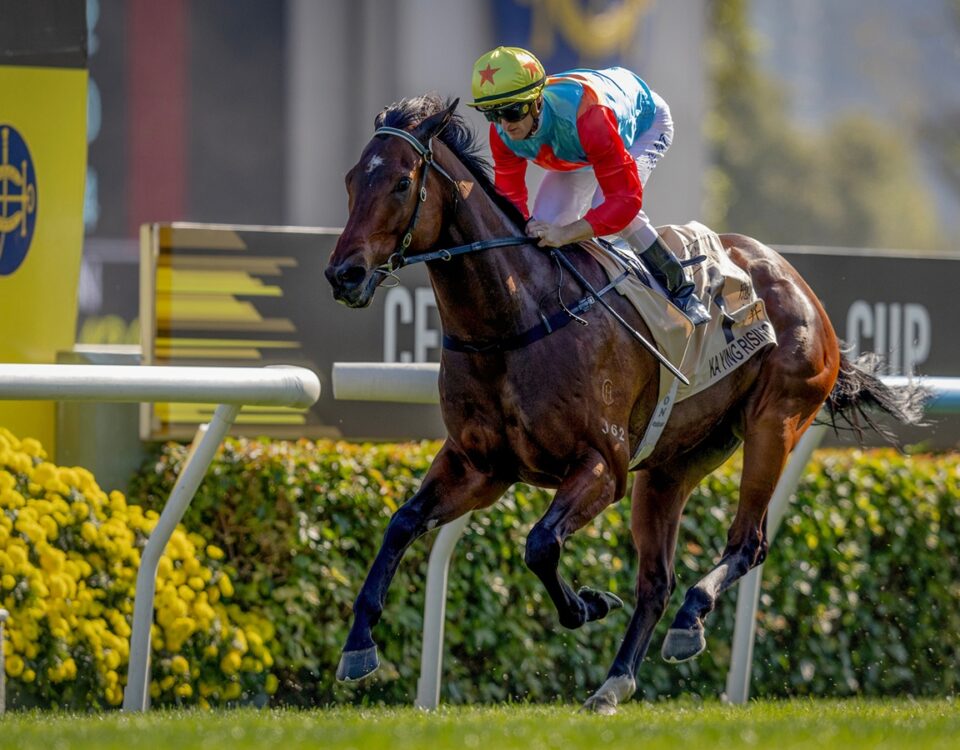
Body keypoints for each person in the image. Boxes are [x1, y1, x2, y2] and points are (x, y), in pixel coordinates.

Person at [467, 46, 710, 324]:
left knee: (613, 215)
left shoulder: (590, 118)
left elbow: (625, 203)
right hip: (579, 147)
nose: (503, 125)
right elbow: (509, 203)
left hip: (642, 124)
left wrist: (568, 233)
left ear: (537, 102)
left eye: (511, 111)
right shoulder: (502, 132)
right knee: (543, 224)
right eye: (491, 114)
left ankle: (682, 291)